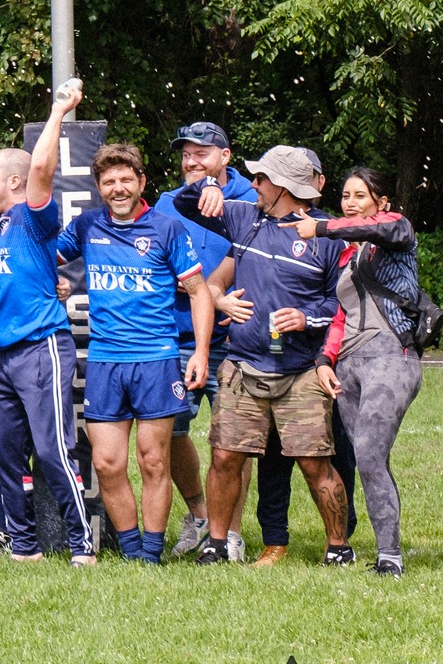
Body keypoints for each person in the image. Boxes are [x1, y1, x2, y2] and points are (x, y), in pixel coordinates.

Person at [172, 146, 353, 566]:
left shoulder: (326, 235)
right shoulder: (245, 218)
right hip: (243, 363)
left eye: (262, 179)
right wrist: (207, 186)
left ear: (284, 187)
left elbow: (340, 304)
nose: (253, 184)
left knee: (314, 463)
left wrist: (306, 317)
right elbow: (183, 203)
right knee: (225, 456)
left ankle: (339, 547)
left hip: (301, 371)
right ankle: (218, 544)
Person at [54, 142, 212, 564]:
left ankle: (151, 554)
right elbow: (42, 256)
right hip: (105, 361)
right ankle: (129, 550)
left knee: (154, 461)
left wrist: (198, 352)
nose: (118, 188)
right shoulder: (86, 226)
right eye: (109, 182)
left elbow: (199, 294)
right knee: (106, 463)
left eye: (126, 180)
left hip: (157, 359)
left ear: (141, 182)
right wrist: (57, 282)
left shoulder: (166, 228)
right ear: (99, 188)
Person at [0, 82, 94, 563]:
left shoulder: (32, 218)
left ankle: (82, 542)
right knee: (9, 455)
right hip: (0, 355)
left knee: (52, 451)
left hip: (40, 347)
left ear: (14, 182)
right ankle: (24, 546)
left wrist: (58, 110)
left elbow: (42, 166)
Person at [303, 167, 424, 575]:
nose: (350, 202)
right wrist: (324, 361)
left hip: (392, 359)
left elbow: (384, 229)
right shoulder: (352, 254)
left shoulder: (397, 229)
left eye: (360, 196)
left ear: (381, 202)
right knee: (362, 456)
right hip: (349, 366)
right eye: (346, 195)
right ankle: (379, 550)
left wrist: (319, 227)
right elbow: (341, 315)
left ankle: (390, 556)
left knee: (371, 454)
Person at [162, 121, 259, 558]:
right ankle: (200, 514)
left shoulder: (254, 200)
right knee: (168, 433)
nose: (191, 161)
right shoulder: (167, 203)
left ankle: (230, 532)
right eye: (185, 153)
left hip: (234, 340)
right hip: (176, 333)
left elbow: (261, 262)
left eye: (201, 152)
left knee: (233, 443)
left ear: (225, 155)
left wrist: (212, 294)